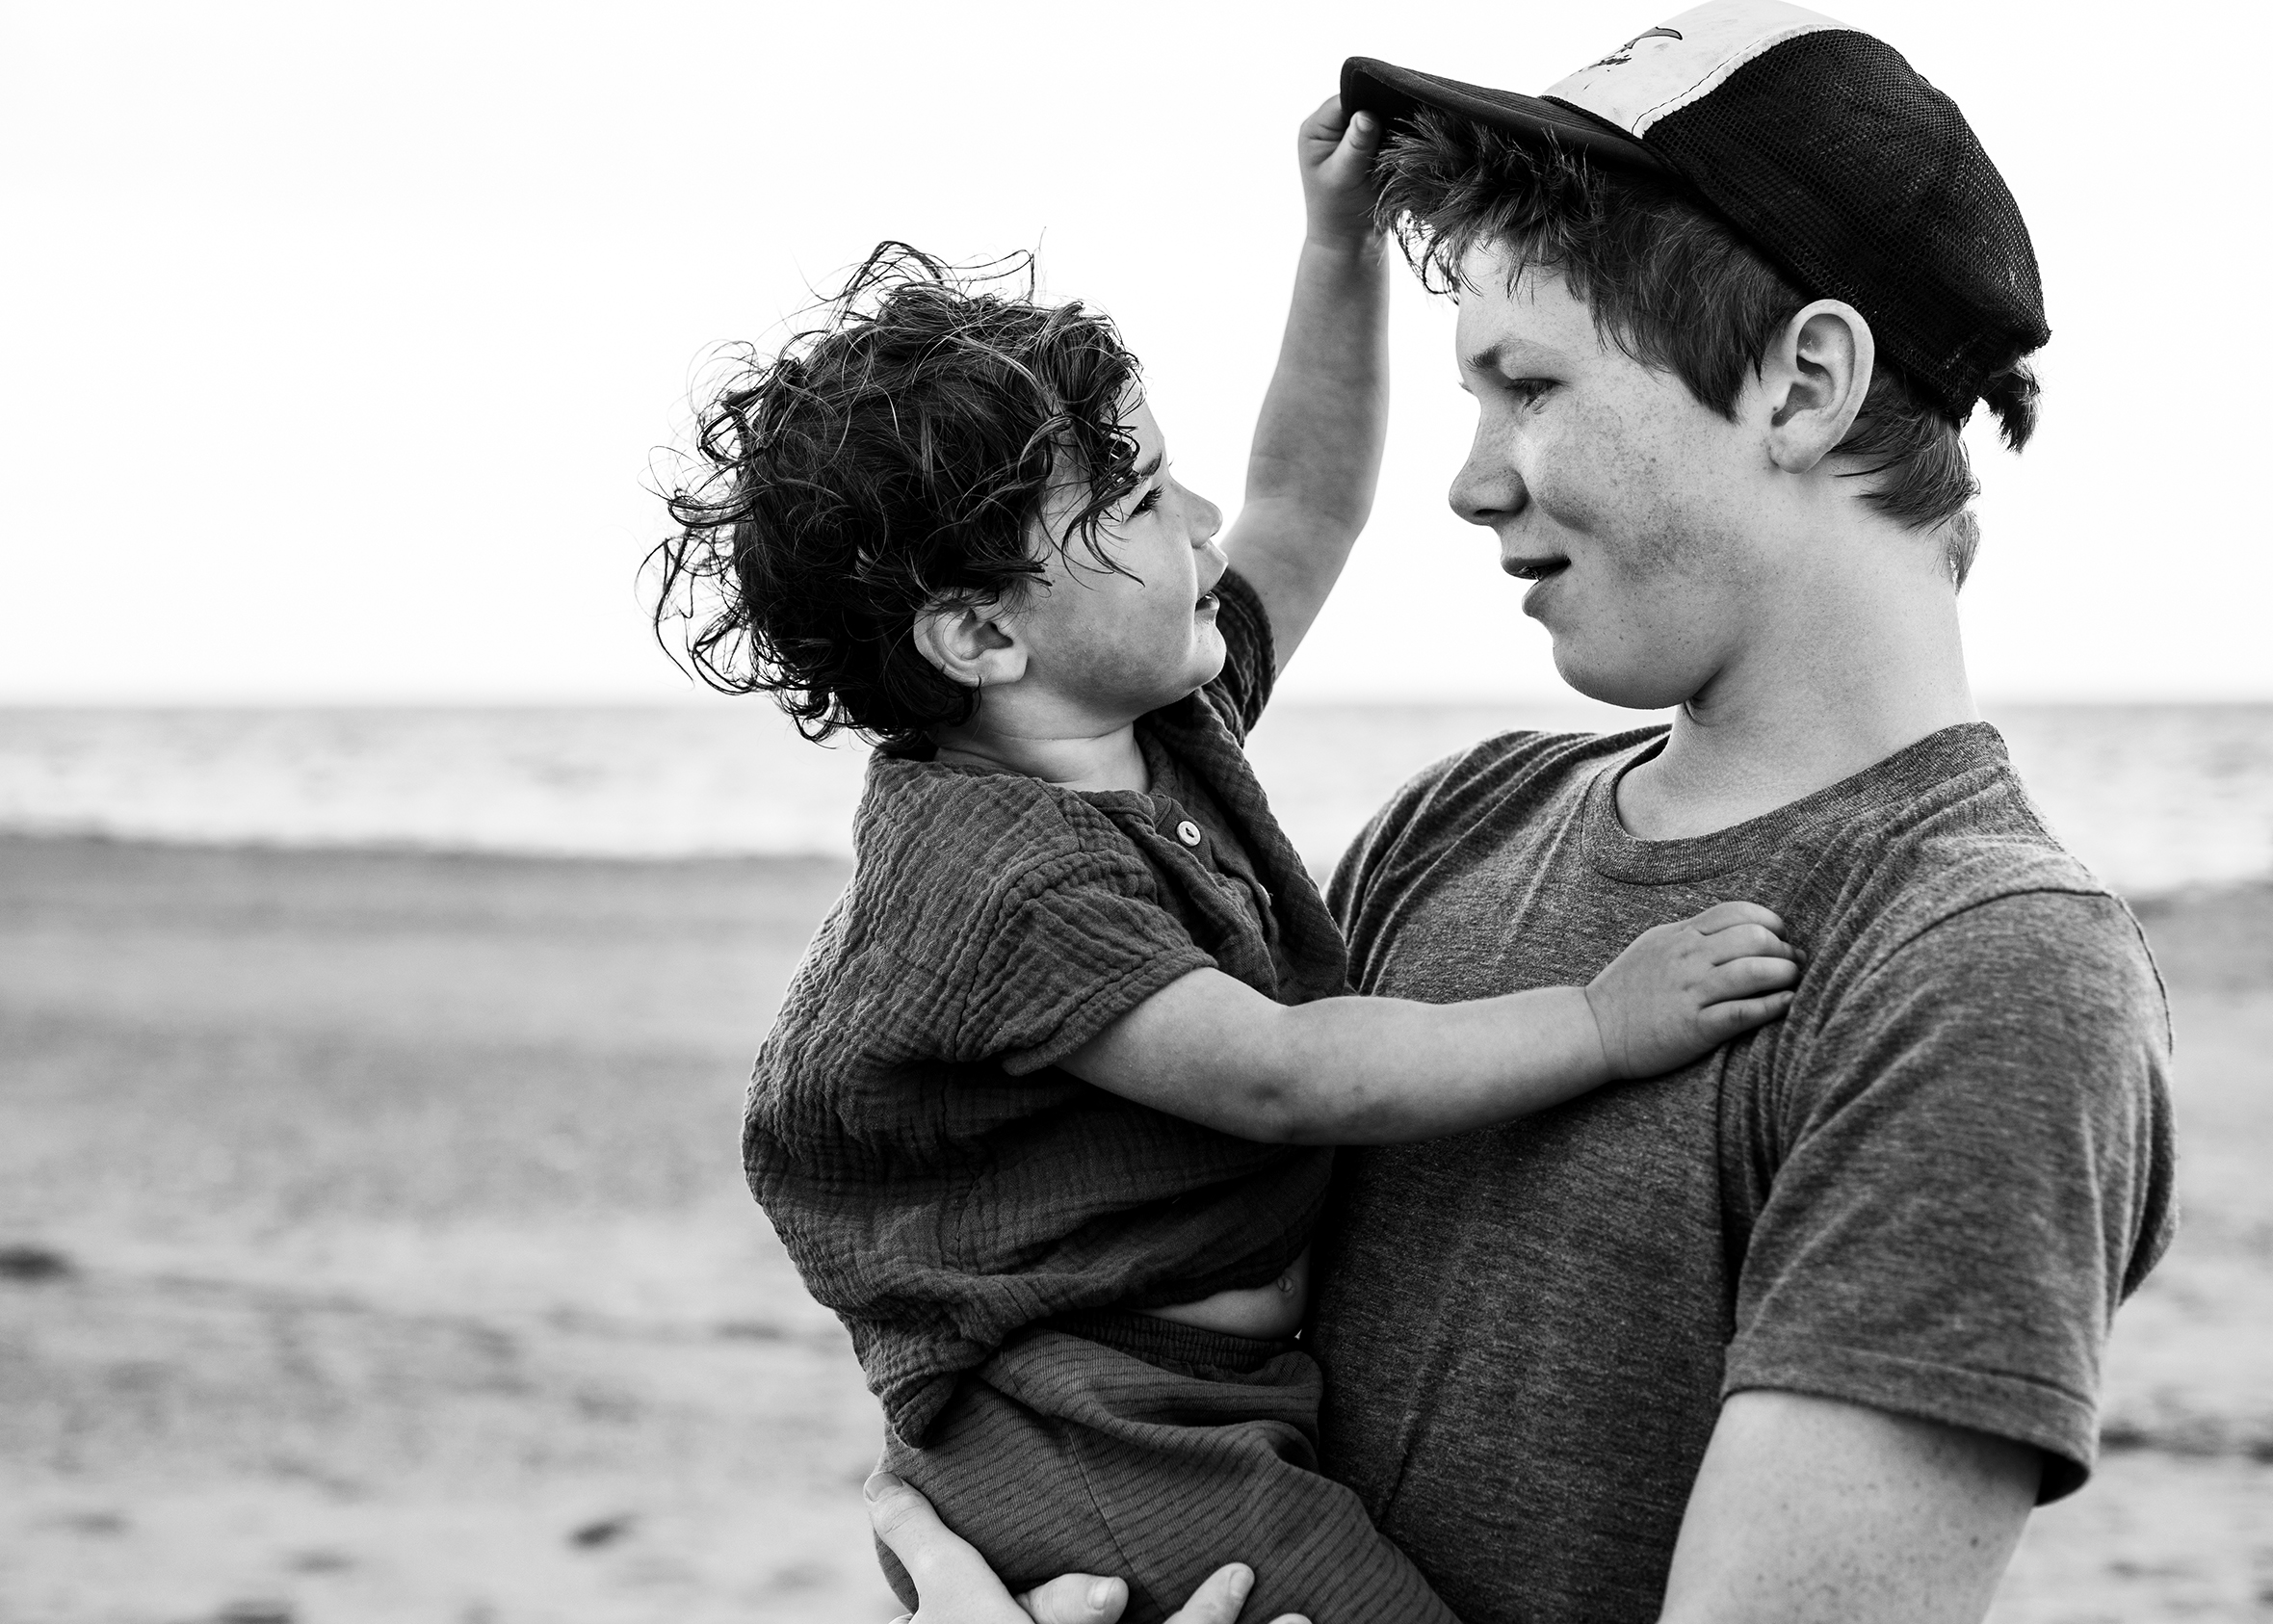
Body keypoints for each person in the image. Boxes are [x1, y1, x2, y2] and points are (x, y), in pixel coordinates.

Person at [865, 4, 2178, 1622]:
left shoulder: (1982, 971)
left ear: (1807, 382)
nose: (1470, 479)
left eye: (1529, 383)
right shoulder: (1461, 820)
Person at [650, 91, 1810, 1624]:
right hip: (1092, 1431)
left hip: (1197, 1398)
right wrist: (1601, 1023)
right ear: (984, 632)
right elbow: (1279, 1071)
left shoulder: (1144, 718)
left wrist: (1336, 241)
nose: (1200, 519)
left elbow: (1307, 501)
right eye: (1135, 502)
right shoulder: (1003, 874)